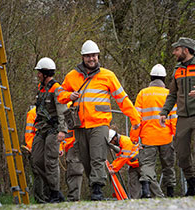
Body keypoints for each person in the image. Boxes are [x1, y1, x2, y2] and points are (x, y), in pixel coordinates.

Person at [57, 40, 141, 201]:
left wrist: (135, 118)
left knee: (97, 157)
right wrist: (69, 95)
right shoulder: (72, 76)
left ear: (98, 56)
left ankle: (97, 190)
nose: (91, 59)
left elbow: (122, 99)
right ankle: (94, 184)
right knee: (86, 160)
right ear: (82, 57)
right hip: (79, 125)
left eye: (94, 55)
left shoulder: (108, 75)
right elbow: (60, 95)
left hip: (100, 124)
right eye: (88, 56)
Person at [130, 64, 177, 198]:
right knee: (168, 166)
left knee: (147, 165)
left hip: (148, 137)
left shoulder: (143, 94)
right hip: (166, 137)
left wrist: (134, 138)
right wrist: (176, 135)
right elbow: (174, 117)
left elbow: (136, 119)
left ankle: (146, 192)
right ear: (164, 78)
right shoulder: (169, 94)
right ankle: (171, 193)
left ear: (151, 77)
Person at [159, 37, 195, 196]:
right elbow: (172, 94)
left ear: (185, 50)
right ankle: (192, 184)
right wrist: (164, 112)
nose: (174, 52)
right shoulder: (177, 70)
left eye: (177, 49)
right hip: (183, 117)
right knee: (181, 152)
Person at [31, 57, 68, 203]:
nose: (38, 75)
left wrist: (62, 131)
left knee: (51, 161)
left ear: (46, 73)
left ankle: (54, 193)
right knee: (37, 160)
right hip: (41, 129)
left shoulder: (56, 89)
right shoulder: (41, 88)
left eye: (39, 72)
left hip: (53, 130)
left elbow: (62, 111)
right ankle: (50, 191)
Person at [107, 129, 164, 199]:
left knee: (150, 180)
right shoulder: (120, 143)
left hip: (141, 163)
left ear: (114, 138)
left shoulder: (125, 141)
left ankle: (159, 197)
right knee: (133, 183)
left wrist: (114, 169)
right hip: (133, 165)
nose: (112, 143)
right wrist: (113, 165)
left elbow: (124, 158)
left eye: (111, 141)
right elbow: (120, 157)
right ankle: (135, 200)